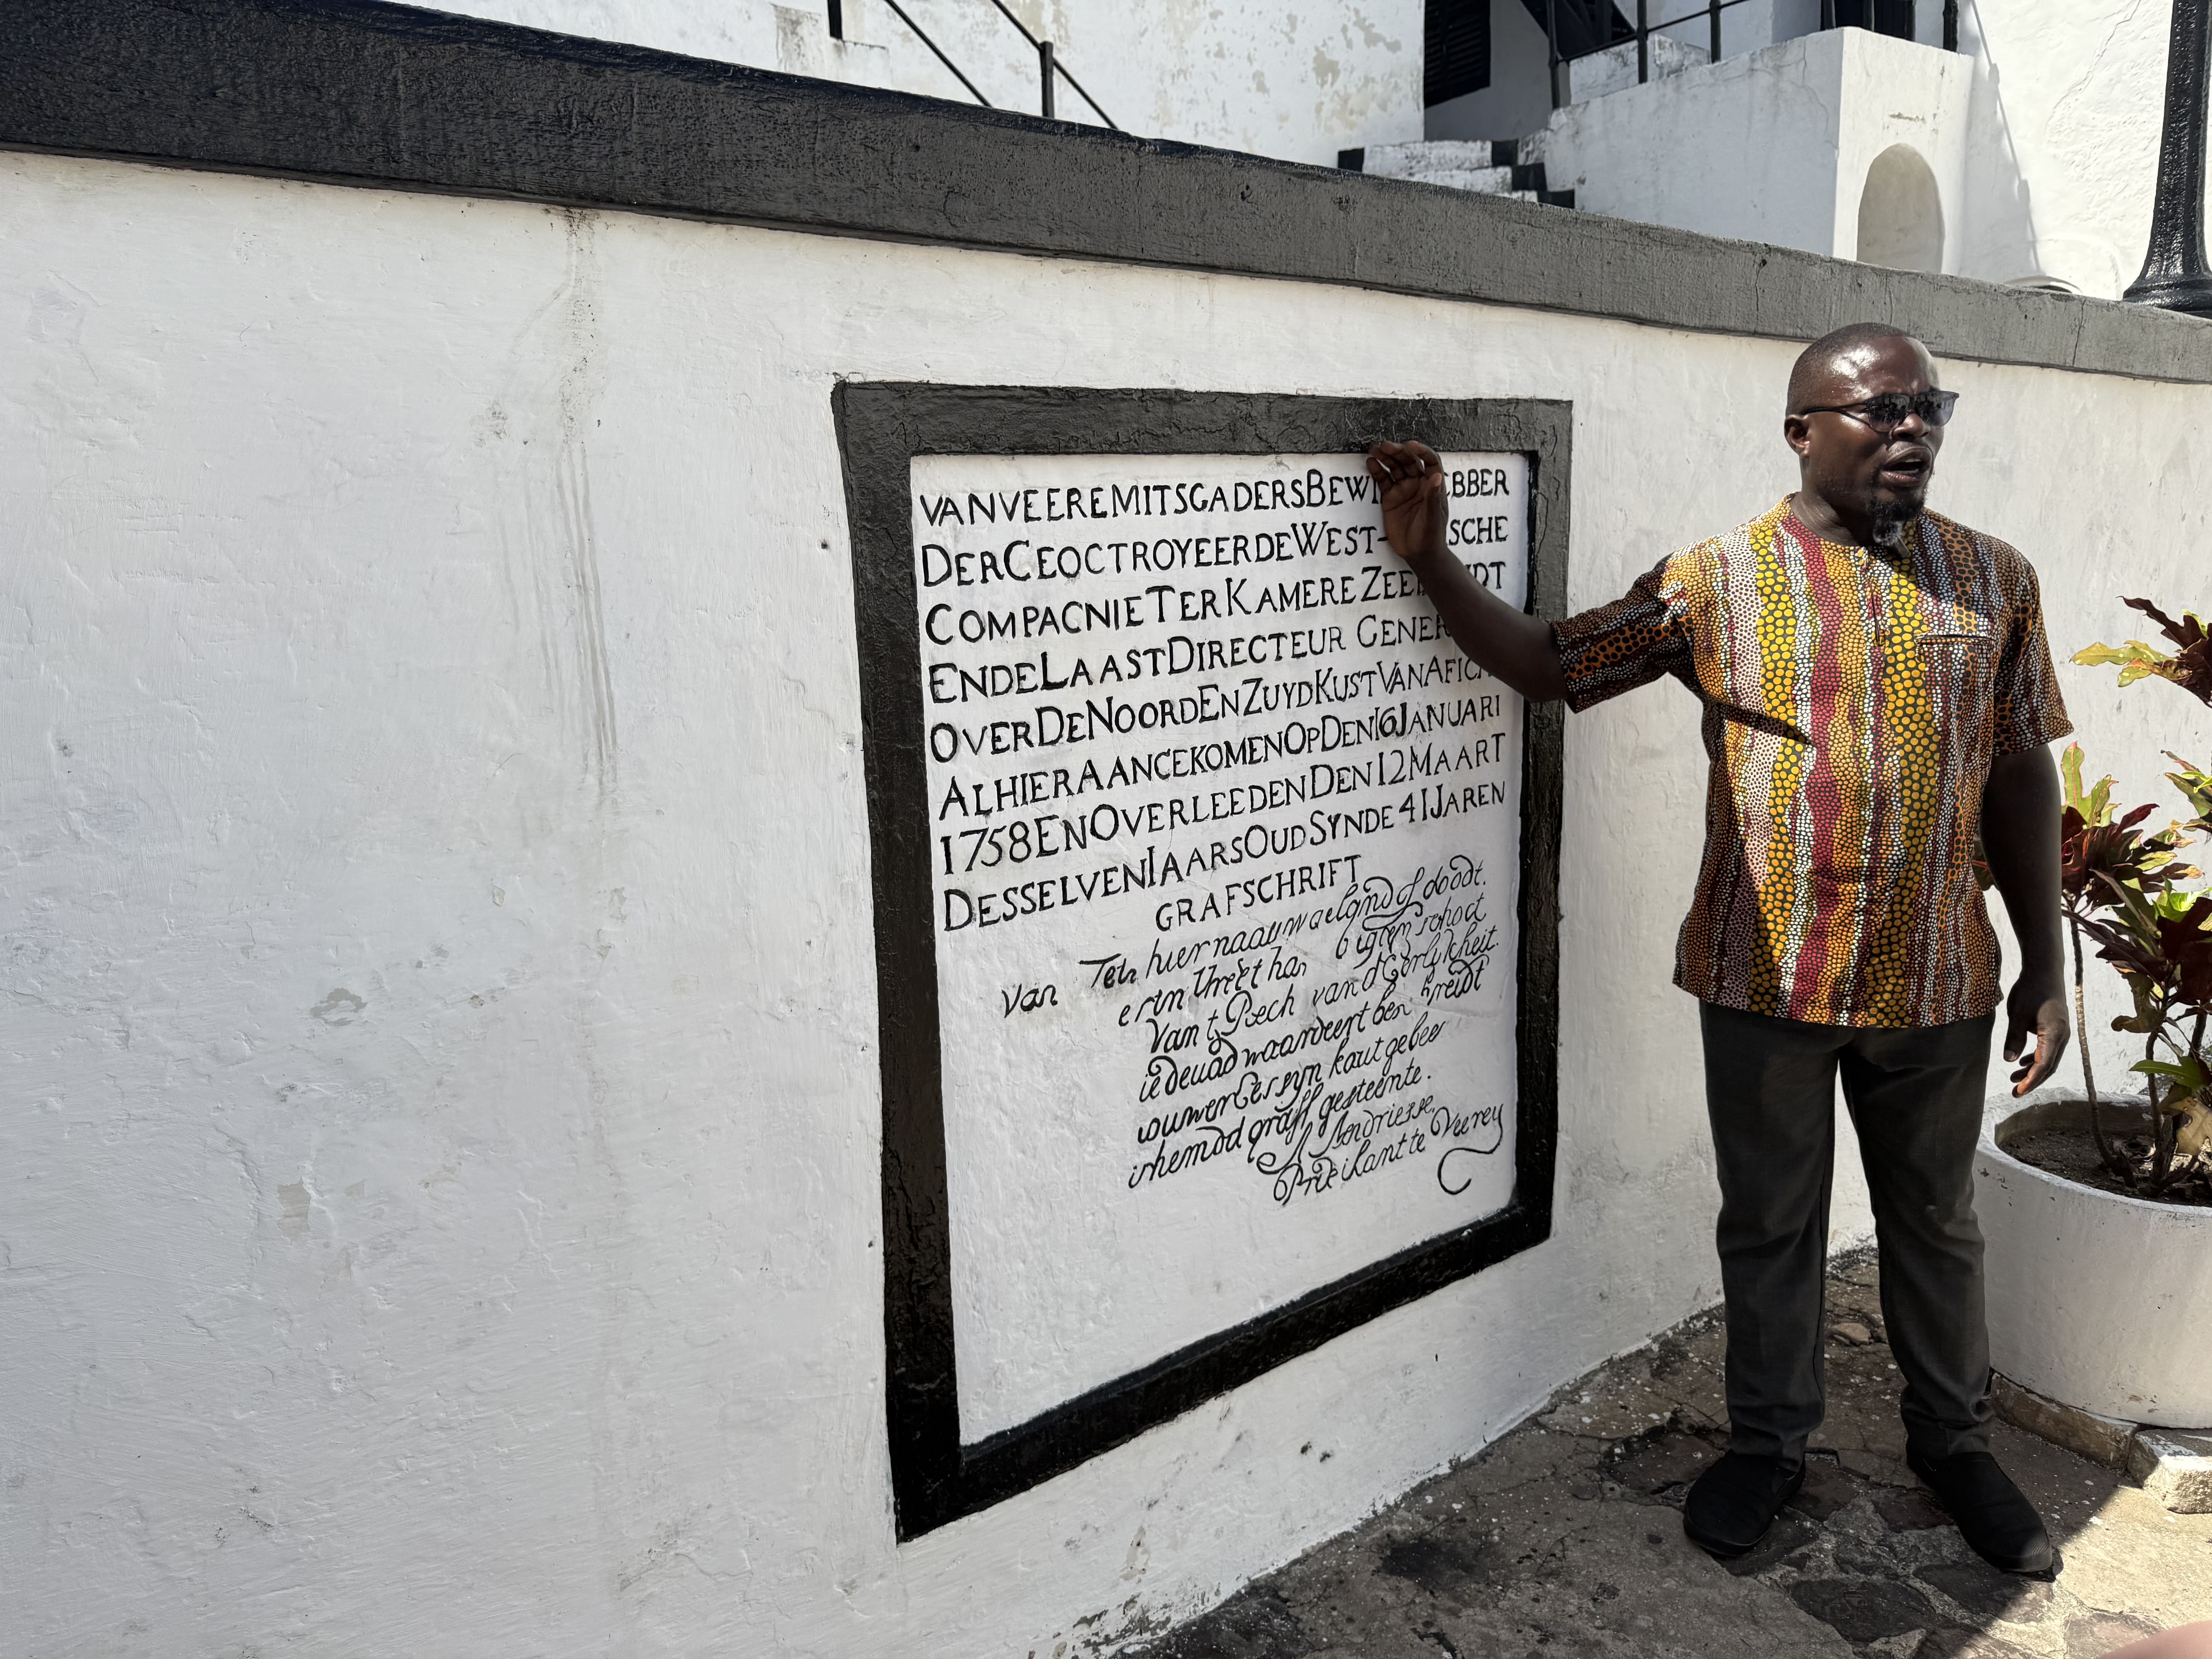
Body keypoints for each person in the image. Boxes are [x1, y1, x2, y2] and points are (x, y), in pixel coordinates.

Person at [1367, 323, 2071, 1577]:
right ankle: (1767, 1443)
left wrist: (2046, 962)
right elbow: (1554, 663)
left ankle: (1955, 1442)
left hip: (1940, 979)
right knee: (1770, 1223)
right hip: (1767, 975)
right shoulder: (1717, 580)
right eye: (1881, 409)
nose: (1913, 429)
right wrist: (1432, 563)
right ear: (1803, 429)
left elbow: (2020, 770)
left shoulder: (1993, 579)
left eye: (1930, 407)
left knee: (1937, 1222)